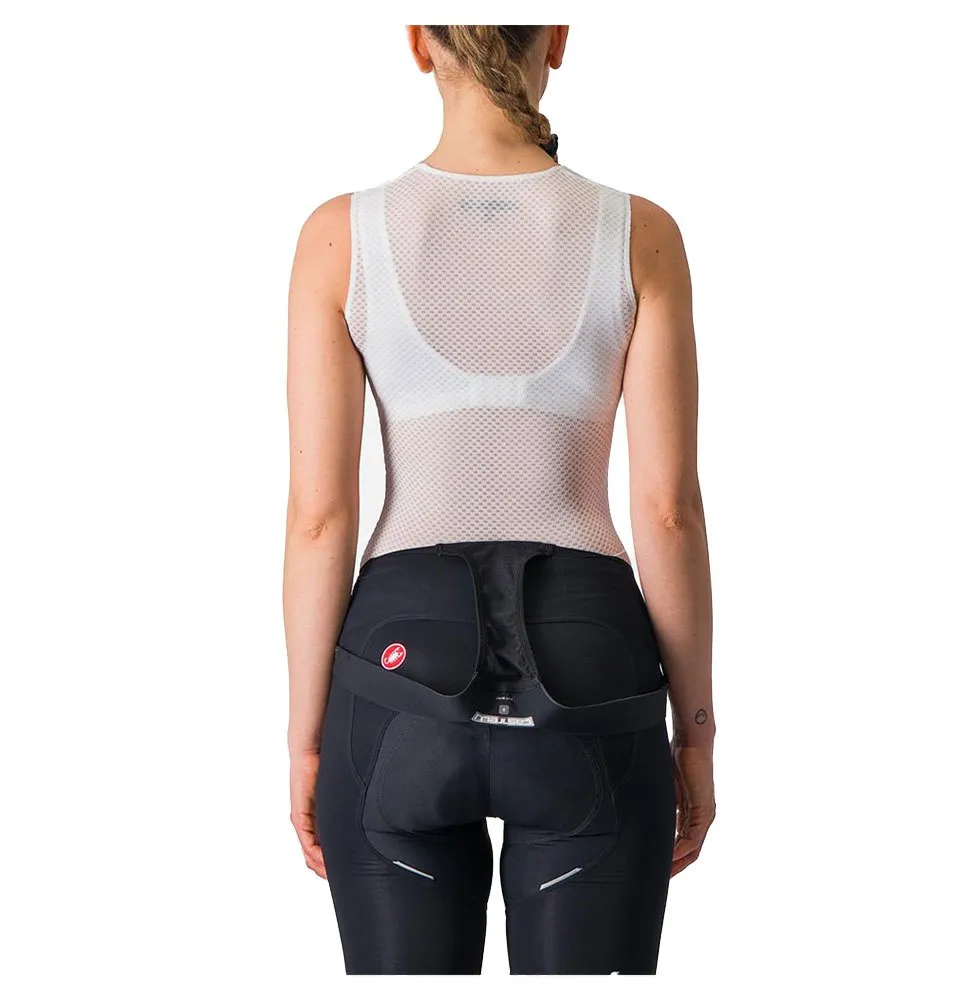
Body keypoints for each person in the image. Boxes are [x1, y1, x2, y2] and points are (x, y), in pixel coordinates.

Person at [283, 24, 716, 975]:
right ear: (555, 39)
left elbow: (320, 519)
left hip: (397, 674)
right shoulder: (640, 234)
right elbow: (668, 510)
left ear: (417, 43)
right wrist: (698, 732)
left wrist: (308, 735)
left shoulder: (339, 237)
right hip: (591, 660)